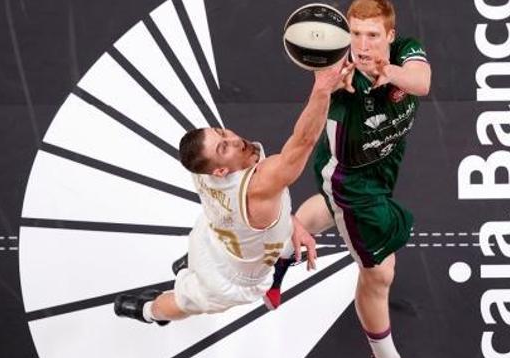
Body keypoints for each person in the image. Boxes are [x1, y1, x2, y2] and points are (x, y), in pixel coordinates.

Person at [267, 0, 445, 358]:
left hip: (383, 164)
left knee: (328, 213)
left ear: (390, 35)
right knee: (380, 271)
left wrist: (388, 72)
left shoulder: (404, 52)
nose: (362, 46)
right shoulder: (340, 73)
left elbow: (422, 83)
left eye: (371, 36)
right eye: (354, 35)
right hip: (349, 178)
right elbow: (308, 128)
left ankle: (280, 247)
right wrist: (325, 90)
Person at [113, 60, 349, 324]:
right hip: (229, 279)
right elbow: (303, 142)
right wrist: (322, 89)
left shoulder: (200, 169)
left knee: (238, 237)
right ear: (220, 172)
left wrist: (291, 222)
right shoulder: (259, 185)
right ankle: (149, 312)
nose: (235, 140)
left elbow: (265, 203)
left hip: (211, 233)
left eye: (221, 133)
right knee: (180, 303)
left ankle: (189, 265)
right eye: (223, 148)